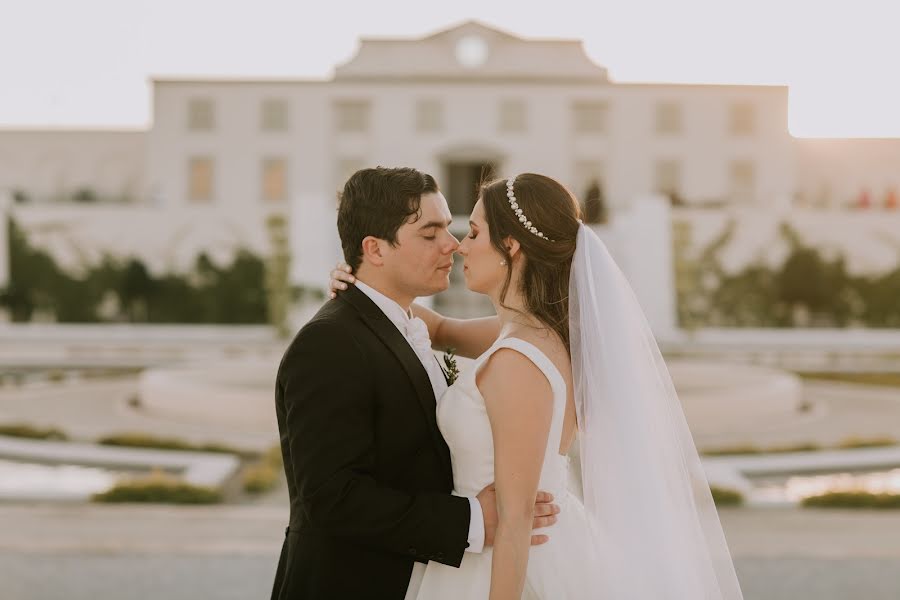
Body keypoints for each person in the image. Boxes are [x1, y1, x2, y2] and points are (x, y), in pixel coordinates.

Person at [330, 172, 744, 599]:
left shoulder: (518, 362)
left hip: (510, 563)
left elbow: (517, 519)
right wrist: (359, 283)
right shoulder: (535, 333)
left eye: (473, 232)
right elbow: (437, 328)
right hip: (496, 544)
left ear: (511, 247)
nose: (459, 246)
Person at [270, 167, 559, 600]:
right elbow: (330, 497)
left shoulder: (406, 323)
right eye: (430, 234)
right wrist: (472, 520)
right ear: (375, 249)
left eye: (451, 228)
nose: (453, 244)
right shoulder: (330, 341)